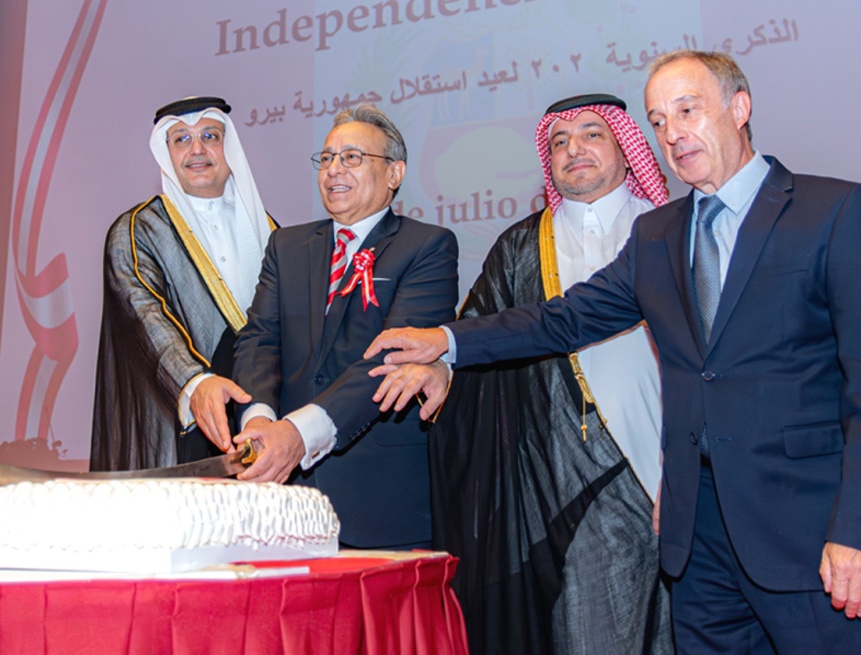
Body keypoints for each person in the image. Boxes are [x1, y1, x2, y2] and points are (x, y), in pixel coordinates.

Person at [366, 50, 861, 653]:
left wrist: (854, 529)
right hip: (700, 542)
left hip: (808, 535)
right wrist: (446, 340)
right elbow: (565, 318)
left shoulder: (832, 212)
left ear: (739, 108)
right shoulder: (659, 235)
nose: (673, 134)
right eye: (659, 121)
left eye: (687, 110)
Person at [380, 93, 673, 654]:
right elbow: (480, 326)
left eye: (591, 134)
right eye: (559, 141)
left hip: (675, 463)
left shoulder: (668, 229)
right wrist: (442, 366)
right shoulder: (521, 245)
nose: (573, 148)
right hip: (569, 475)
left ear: (625, 146)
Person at [231, 105, 459, 549]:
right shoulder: (286, 245)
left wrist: (298, 433)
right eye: (327, 158)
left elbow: (394, 357)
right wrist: (261, 423)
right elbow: (259, 338)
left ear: (394, 173)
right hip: (283, 494)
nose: (334, 169)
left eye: (352, 157)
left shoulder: (428, 247)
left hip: (378, 497)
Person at [91, 96, 274, 471]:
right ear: (166, 153)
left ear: (229, 147)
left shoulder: (268, 230)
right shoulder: (139, 230)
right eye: (181, 139)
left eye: (210, 136)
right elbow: (144, 318)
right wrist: (195, 382)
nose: (197, 149)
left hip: (263, 419)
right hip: (182, 423)